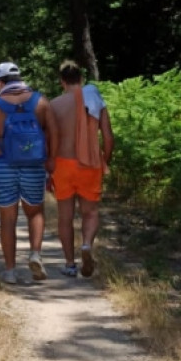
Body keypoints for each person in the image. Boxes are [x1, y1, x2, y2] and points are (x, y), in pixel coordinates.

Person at [0, 61, 58, 284]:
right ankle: (35, 254)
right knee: (35, 213)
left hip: (3, 166)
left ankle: (9, 270)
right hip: (34, 166)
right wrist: (51, 161)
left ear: (0, 82)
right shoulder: (41, 102)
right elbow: (54, 134)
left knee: (8, 219)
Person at [49, 59, 115, 277]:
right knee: (90, 212)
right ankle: (86, 244)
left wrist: (48, 168)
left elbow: (49, 140)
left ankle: (69, 264)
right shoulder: (95, 99)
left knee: (65, 217)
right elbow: (107, 136)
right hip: (90, 164)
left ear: (62, 82)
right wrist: (105, 159)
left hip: (63, 165)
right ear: (81, 79)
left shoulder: (55, 105)